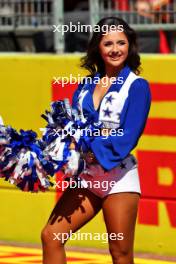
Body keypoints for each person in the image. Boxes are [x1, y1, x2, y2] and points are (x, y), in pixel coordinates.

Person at [41, 17, 151, 264]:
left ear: (130, 45)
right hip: (88, 177)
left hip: (118, 178)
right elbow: (72, 125)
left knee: (120, 254)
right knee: (51, 236)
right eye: (108, 43)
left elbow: (127, 137)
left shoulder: (137, 87)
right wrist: (56, 147)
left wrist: (85, 152)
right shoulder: (86, 86)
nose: (115, 49)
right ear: (98, 48)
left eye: (121, 43)